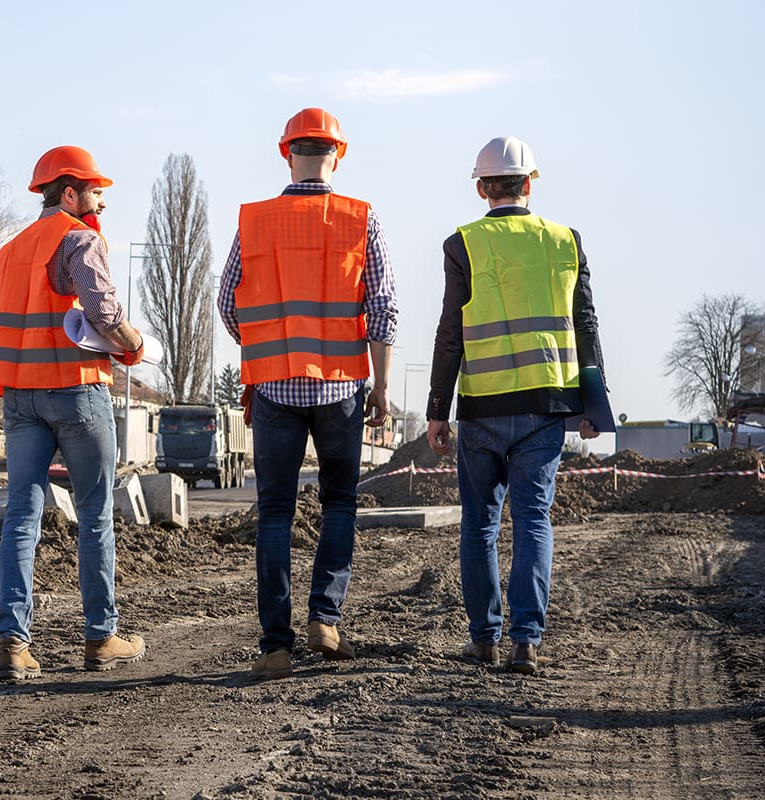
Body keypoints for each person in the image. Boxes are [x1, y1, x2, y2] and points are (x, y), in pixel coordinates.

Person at [218, 108, 398, 680]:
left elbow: (228, 304)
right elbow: (383, 308)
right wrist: (382, 386)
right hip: (342, 386)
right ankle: (325, 618)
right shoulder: (358, 218)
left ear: (285, 152)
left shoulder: (255, 220)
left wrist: (268, 345)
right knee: (339, 501)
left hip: (273, 386)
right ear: (337, 155)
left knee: (274, 511)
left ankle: (275, 644)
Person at [425, 136, 604, 675]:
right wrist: (593, 406)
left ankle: (485, 639)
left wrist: (437, 408)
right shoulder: (565, 241)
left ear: (482, 188)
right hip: (545, 408)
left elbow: (449, 333)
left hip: (481, 406)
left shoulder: (462, 244)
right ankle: (527, 640)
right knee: (533, 521)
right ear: (531, 183)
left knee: (479, 524)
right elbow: (587, 325)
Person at [0, 145, 146, 680]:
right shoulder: (80, 238)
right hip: (76, 392)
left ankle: (14, 643)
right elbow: (100, 308)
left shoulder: (8, 252)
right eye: (96, 192)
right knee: (96, 514)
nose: (101, 202)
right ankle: (101, 637)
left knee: (21, 517)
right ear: (70, 192)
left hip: (20, 397)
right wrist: (133, 344)